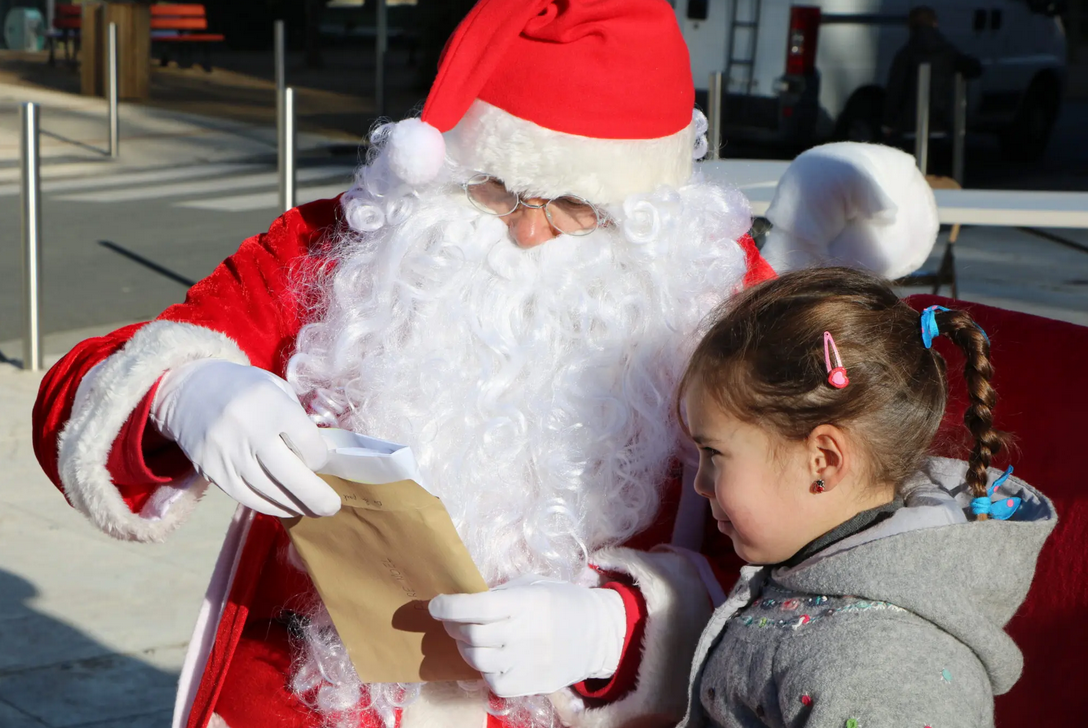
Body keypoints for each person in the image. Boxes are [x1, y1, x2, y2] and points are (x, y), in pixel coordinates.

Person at [30, 2, 931, 728]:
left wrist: (617, 627)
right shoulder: (344, 246)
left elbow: (832, 555)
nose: (529, 231)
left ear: (650, 208)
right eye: (497, 190)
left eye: (574, 206)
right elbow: (78, 396)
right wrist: (185, 392)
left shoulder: (728, 301)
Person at [674, 267, 1056, 728]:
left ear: (823, 461)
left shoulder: (881, 669)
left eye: (714, 453)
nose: (700, 483)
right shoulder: (806, 571)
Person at [883, 6, 983, 141]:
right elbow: (974, 69)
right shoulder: (948, 51)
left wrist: (889, 123)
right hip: (941, 122)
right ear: (935, 23)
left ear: (910, 26)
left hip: (910, 124)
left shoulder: (905, 54)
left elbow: (895, 90)